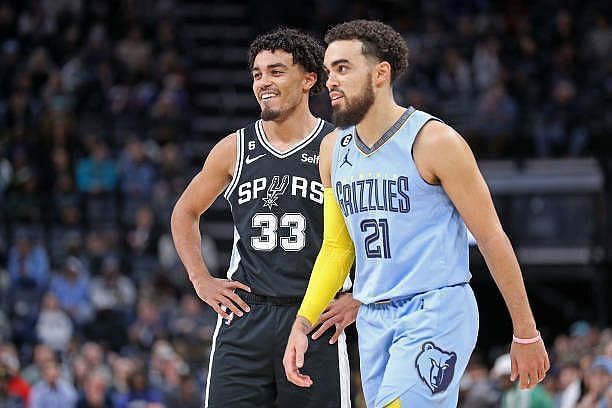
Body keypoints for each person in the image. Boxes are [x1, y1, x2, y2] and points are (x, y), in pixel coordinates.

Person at [283, 20, 550, 408]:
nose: (330, 82)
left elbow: (492, 237)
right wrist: (303, 322)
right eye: (328, 71)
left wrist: (526, 332)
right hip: (374, 319)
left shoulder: (434, 141)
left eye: (342, 68)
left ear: (380, 73)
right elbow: (337, 249)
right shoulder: (332, 151)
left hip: (436, 310)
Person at [171, 28, 357, 408]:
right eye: (257, 73)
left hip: (314, 316)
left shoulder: (339, 148)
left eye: (276, 71)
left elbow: (372, 231)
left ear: (308, 80)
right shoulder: (233, 149)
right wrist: (200, 279)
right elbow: (184, 212)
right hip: (246, 317)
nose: (263, 82)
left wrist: (362, 296)